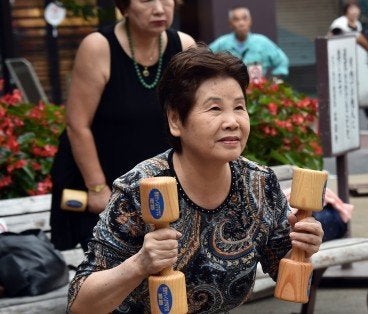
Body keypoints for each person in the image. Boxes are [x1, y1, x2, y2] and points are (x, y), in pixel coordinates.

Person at [67, 46, 324, 313]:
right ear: (176, 120)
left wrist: (302, 246)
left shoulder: (259, 184)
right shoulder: (140, 189)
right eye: (215, 108)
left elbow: (284, 276)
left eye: (239, 107)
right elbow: (80, 303)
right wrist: (140, 263)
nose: (232, 121)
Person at [49, 0, 195, 252]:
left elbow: (192, 118)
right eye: (147, 0)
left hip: (159, 189)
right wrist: (97, 189)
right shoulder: (98, 46)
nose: (159, 8)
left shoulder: (184, 46)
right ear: (124, 6)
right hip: (101, 186)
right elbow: (77, 124)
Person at [209, 5, 289, 81]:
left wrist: (273, 81)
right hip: (231, 91)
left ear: (250, 21)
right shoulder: (222, 43)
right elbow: (205, 57)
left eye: (244, 18)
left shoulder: (262, 42)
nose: (241, 23)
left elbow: (282, 61)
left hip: (256, 91)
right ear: (230, 24)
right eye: (236, 19)